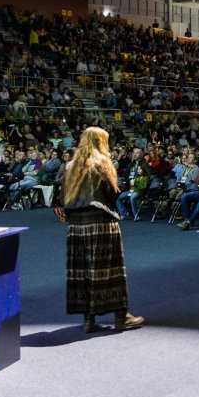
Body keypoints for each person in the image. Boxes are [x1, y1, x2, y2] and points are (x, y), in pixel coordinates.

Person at [60, 127, 143, 333]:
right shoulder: (102, 163)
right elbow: (112, 194)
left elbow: (63, 196)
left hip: (77, 225)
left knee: (83, 271)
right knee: (111, 270)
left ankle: (88, 319)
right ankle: (121, 317)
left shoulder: (70, 165)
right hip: (101, 222)